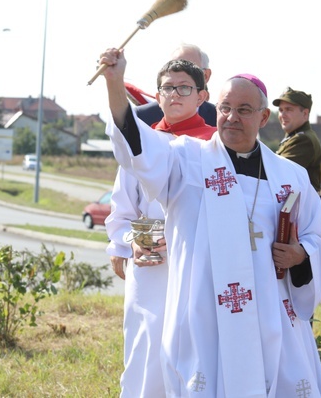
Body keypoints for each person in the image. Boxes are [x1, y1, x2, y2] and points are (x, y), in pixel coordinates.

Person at [99, 47, 321, 397]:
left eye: (243, 110)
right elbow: (139, 147)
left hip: (271, 313)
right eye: (225, 108)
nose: (231, 117)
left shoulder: (290, 176)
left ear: (263, 117)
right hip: (205, 311)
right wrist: (115, 84)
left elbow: (317, 237)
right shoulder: (186, 159)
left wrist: (301, 255)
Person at [105, 59, 216, 397]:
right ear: (157, 95)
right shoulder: (141, 146)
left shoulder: (216, 147)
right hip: (150, 268)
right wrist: (128, 243)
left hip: (198, 266)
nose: (175, 94)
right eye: (168, 88)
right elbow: (122, 211)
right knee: (145, 350)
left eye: (184, 87)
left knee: (197, 348)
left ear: (202, 96)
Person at [136, 43, 216, 127]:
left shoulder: (220, 119)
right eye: (174, 66)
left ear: (206, 75)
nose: (174, 93)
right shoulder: (140, 118)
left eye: (190, 68)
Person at [273, 88, 321, 192]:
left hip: (300, 206)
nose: (282, 115)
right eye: (281, 110)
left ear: (305, 114)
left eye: (288, 109)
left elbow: (276, 174)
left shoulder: (303, 140)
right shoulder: (292, 137)